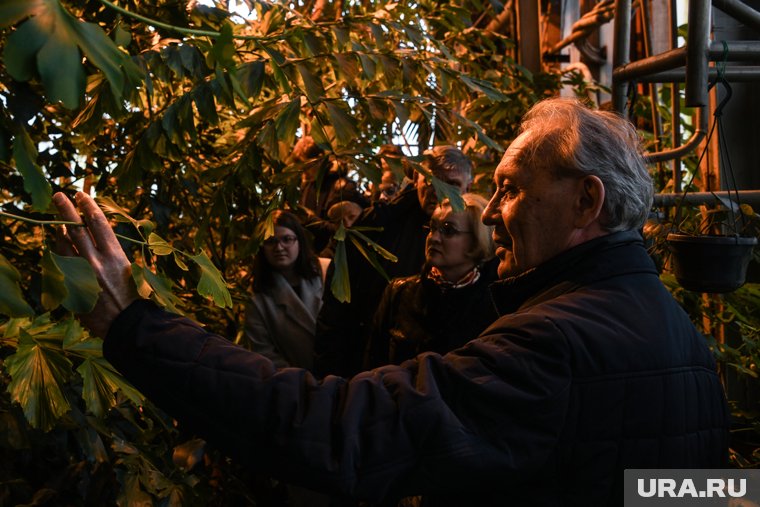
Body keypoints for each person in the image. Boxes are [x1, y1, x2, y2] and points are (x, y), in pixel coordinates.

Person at [52, 97, 729, 506]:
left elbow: (341, 425)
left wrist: (135, 328)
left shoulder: (553, 344)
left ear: (587, 199)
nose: (491, 212)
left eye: (513, 188)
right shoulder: (686, 342)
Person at [315, 145, 474, 377]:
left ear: (467, 187)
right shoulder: (378, 226)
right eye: (430, 181)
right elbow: (335, 314)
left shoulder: (478, 235)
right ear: (415, 180)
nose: (438, 191)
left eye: (451, 184)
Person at [365, 193, 499, 368]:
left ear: (476, 241)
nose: (434, 238)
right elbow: (373, 364)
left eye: (448, 230)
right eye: (432, 227)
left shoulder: (494, 303)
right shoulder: (399, 291)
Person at [243, 210, 330, 370]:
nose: (279, 247)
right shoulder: (257, 297)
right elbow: (263, 354)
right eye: (270, 241)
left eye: (287, 239)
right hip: (300, 385)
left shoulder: (328, 271)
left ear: (299, 241)